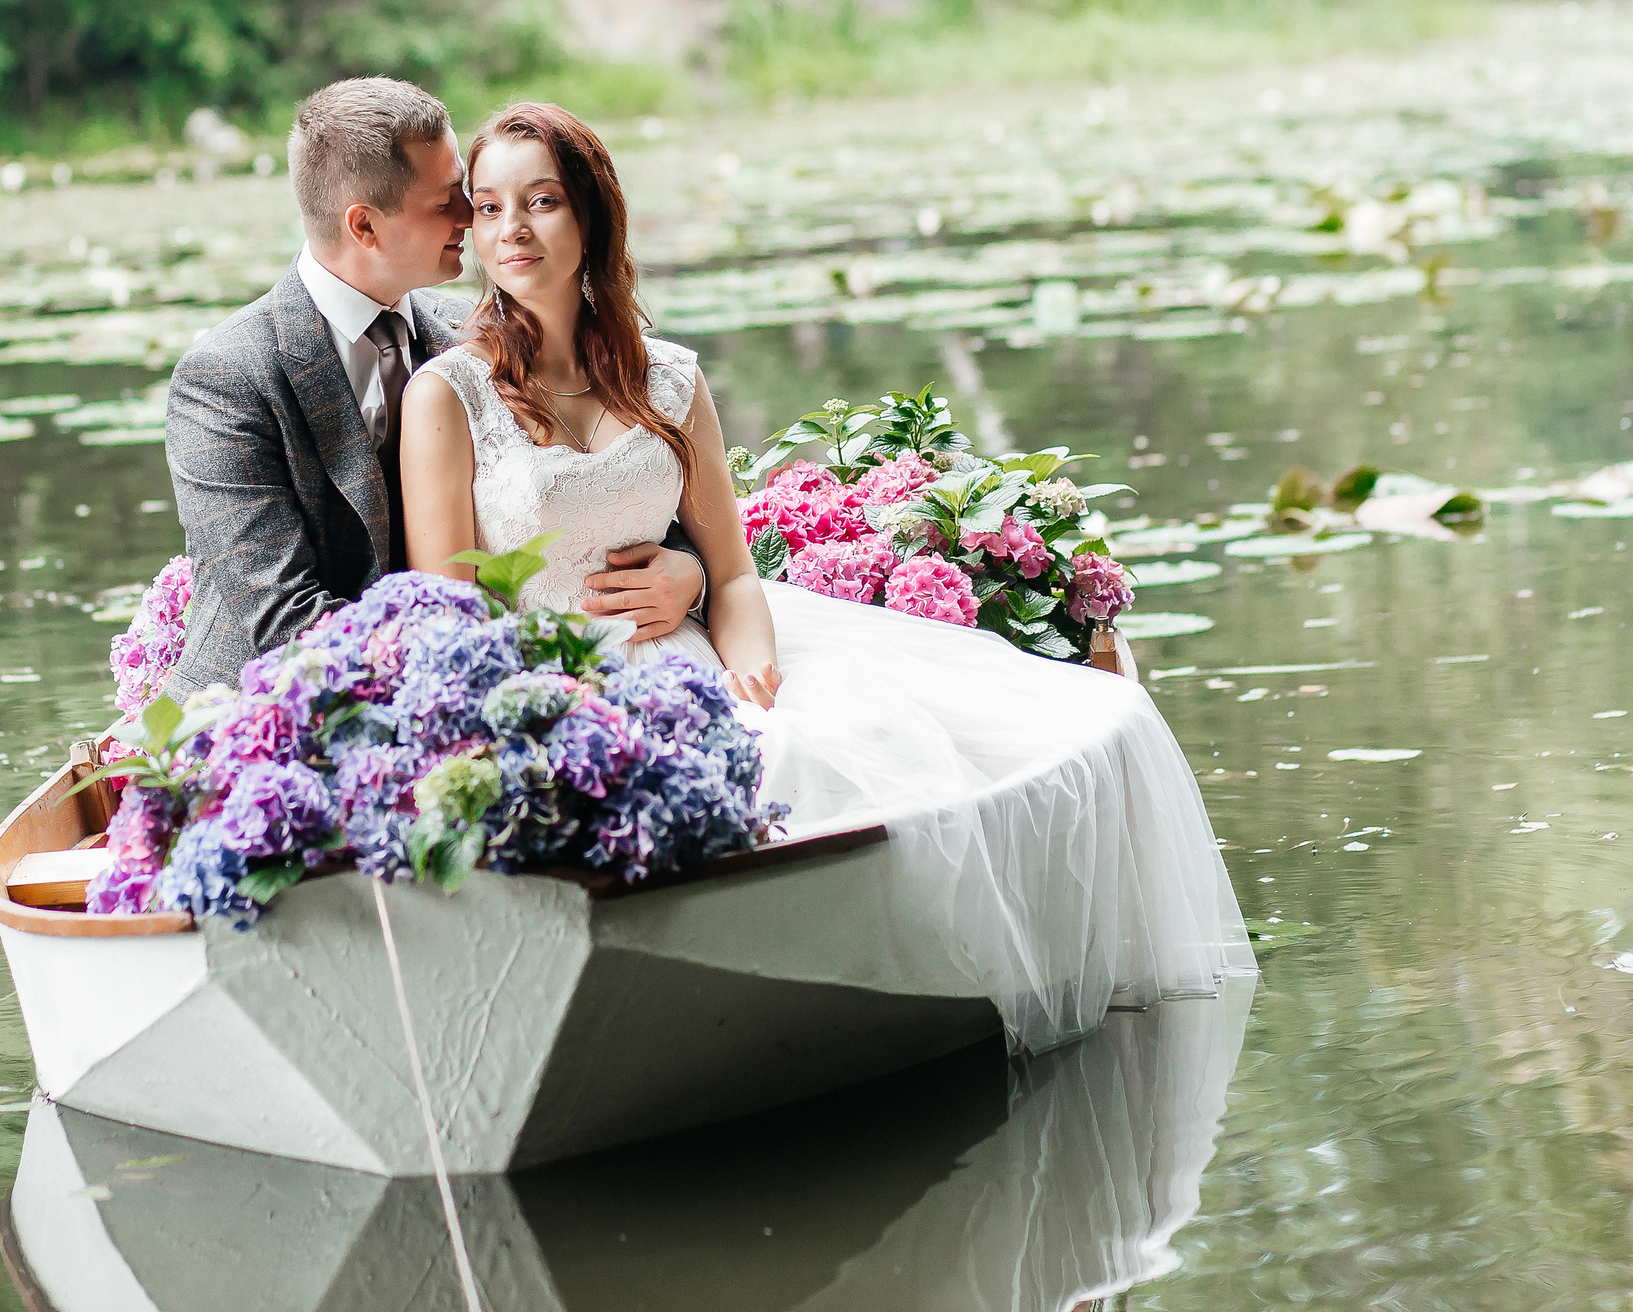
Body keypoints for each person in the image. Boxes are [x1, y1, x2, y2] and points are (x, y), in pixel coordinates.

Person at [397, 100, 1253, 1051]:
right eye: (487, 206)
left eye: (543, 200)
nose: (512, 229)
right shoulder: (448, 394)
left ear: (592, 214)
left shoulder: (671, 378)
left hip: (688, 658)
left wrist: (749, 676)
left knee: (811, 743)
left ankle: (873, 1007)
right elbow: (449, 614)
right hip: (549, 678)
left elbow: (729, 575)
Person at [162, 77, 709, 699]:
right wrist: (487, 670)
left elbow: (625, 491)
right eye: (449, 200)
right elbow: (274, 622)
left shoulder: (468, 350)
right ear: (364, 227)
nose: (471, 216)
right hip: (280, 715)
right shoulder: (229, 378)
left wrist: (688, 571)